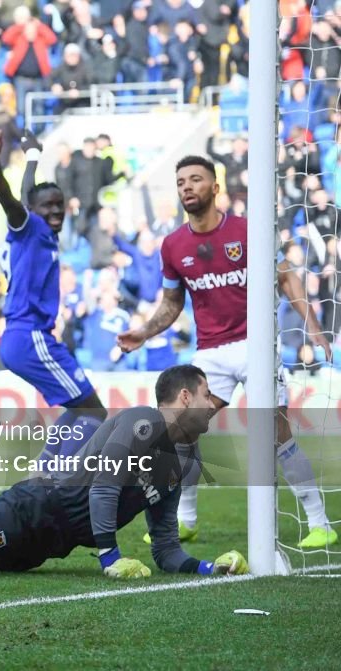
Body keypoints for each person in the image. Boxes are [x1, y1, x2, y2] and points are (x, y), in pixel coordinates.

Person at [117, 156, 336, 550]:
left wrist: (314, 325)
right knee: (181, 428)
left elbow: (286, 277)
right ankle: (185, 521)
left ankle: (320, 522)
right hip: (211, 352)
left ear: (214, 187)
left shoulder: (248, 232)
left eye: (196, 179)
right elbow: (171, 303)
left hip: (255, 344)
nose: (187, 186)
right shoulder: (173, 246)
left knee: (275, 431)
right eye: (181, 180)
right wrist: (145, 332)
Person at [0, 365, 249, 578]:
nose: (214, 405)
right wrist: (109, 557)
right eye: (206, 395)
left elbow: (165, 544)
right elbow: (103, 488)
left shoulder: (186, 460)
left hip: (55, 542)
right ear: (185, 397)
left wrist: (206, 567)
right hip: (36, 506)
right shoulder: (141, 422)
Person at [0, 130, 106, 460]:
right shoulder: (29, 228)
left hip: (29, 337)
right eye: (47, 206)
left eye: (59, 205)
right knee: (93, 412)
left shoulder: (36, 233)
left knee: (84, 410)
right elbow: (11, 199)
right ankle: (52, 477)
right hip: (29, 336)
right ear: (32, 211)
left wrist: (33, 156)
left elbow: (24, 196)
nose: (56, 211)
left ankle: (46, 471)